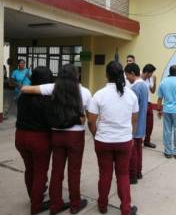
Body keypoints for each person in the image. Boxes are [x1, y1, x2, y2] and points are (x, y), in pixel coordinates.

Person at [21, 64, 92, 214]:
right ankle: (74, 204)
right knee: (74, 171)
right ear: (77, 75)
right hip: (75, 136)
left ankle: (55, 205)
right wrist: (83, 119)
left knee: (56, 171)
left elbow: (24, 89)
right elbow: (90, 117)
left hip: (57, 135)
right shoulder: (85, 92)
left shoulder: (52, 87)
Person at [88, 61, 139, 215]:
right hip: (124, 141)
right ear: (122, 74)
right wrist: (129, 136)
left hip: (103, 141)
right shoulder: (131, 94)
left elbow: (91, 121)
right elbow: (134, 119)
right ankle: (125, 208)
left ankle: (102, 205)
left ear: (106, 75)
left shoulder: (99, 94)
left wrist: (97, 135)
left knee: (105, 174)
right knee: (123, 174)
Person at [15, 67, 53, 215]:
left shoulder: (23, 95)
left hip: (20, 137)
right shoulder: (46, 98)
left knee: (29, 169)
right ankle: (36, 206)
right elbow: (51, 120)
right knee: (40, 172)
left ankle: (34, 197)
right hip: (39, 139)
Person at [125, 63, 149, 185]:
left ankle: (133, 175)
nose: (127, 78)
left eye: (127, 75)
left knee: (133, 152)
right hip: (142, 123)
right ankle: (138, 172)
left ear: (133, 73)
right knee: (138, 150)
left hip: (134, 125)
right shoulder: (144, 85)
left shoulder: (135, 88)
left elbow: (131, 109)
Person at [141, 64, 157, 148]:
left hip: (148, 103)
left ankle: (147, 141)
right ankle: (138, 140)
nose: (152, 74)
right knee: (140, 123)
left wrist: (154, 81)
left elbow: (153, 91)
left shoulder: (149, 79)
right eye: (151, 73)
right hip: (140, 104)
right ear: (147, 72)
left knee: (150, 123)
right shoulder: (138, 79)